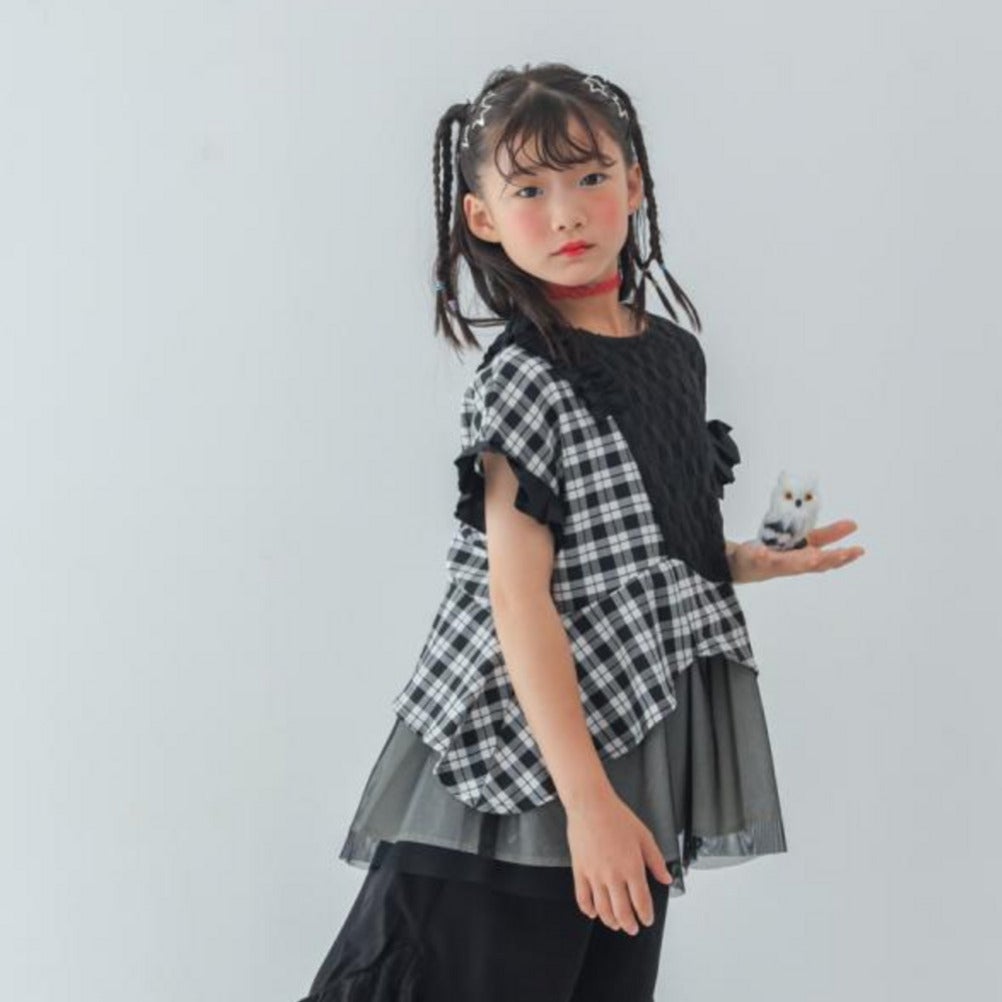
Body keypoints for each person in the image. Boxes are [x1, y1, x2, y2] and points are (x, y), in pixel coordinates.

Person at [294, 62, 865, 1002]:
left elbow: (634, 551)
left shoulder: (672, 354)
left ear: (634, 184)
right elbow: (517, 600)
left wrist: (742, 562)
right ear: (482, 216)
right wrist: (587, 804)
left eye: (591, 177)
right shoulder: (523, 377)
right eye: (529, 190)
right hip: (522, 769)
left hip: (631, 734)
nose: (566, 214)